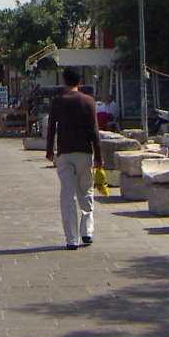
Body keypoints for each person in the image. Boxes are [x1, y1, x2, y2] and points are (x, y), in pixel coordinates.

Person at [45, 67, 103, 250]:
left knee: (67, 195)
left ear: (64, 81)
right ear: (80, 81)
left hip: (64, 153)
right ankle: (87, 231)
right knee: (86, 191)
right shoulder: (88, 101)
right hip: (84, 152)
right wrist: (99, 156)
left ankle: (71, 239)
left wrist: (49, 150)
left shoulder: (57, 102)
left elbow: (51, 128)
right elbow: (94, 131)